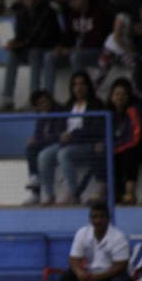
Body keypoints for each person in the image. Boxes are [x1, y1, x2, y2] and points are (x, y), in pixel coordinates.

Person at [54, 202, 132, 281]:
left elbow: (121, 265)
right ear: (90, 219)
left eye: (101, 217)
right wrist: (79, 272)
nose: (98, 220)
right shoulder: (82, 233)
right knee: (67, 277)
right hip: (90, 276)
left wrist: (97, 277)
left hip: (111, 277)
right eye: (94, 217)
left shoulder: (118, 237)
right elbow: (74, 258)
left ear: (108, 218)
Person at [37, 71, 105, 205]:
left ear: (88, 86)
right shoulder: (68, 105)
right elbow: (60, 125)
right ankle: (49, 195)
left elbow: (95, 128)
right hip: (67, 142)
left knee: (64, 154)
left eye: (82, 84)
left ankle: (74, 194)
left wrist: (73, 135)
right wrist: (61, 135)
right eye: (75, 85)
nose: (78, 88)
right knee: (44, 156)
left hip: (86, 143)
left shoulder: (96, 104)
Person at [1, 0, 61, 110]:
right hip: (30, 48)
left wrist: (22, 43)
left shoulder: (48, 12)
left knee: (34, 53)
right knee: (13, 54)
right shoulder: (21, 14)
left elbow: (44, 38)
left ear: (39, 0)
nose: (31, 1)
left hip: (47, 48)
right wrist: (14, 43)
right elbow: (20, 36)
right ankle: (7, 98)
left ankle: (35, 98)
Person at [43, 0, 110, 94]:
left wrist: (74, 49)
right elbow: (68, 36)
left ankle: (82, 94)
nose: (74, 2)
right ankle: (47, 95)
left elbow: (98, 40)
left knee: (76, 57)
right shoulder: (71, 15)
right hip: (76, 51)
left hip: (97, 52)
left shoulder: (99, 13)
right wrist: (61, 47)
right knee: (49, 56)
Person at [99, 78, 142, 205]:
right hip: (117, 146)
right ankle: (112, 192)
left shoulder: (134, 110)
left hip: (137, 145)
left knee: (129, 154)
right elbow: (103, 134)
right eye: (116, 94)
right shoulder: (108, 113)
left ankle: (130, 193)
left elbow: (135, 135)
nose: (119, 97)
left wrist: (118, 146)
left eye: (123, 94)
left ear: (128, 96)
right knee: (106, 155)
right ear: (111, 96)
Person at [23, 90, 66, 205]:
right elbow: (38, 135)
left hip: (59, 144)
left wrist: (38, 141)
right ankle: (35, 184)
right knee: (30, 148)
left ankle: (49, 194)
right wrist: (35, 140)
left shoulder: (59, 112)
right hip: (45, 144)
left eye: (45, 102)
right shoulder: (41, 116)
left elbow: (58, 135)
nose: (43, 105)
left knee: (43, 156)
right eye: (40, 104)